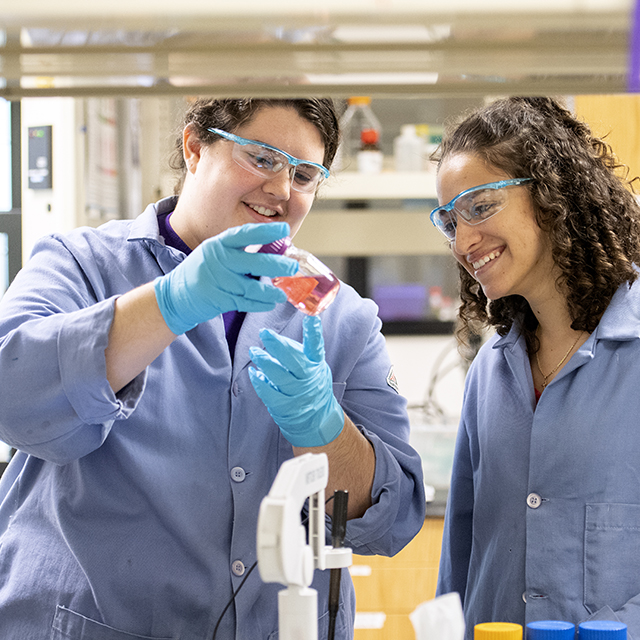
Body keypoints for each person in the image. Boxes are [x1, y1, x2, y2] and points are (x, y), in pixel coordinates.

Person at [0, 98, 426, 640]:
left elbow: (392, 520)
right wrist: (169, 303)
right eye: (263, 159)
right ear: (195, 148)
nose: (281, 190)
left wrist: (324, 430)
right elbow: (11, 399)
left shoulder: (337, 314)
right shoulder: (82, 264)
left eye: (303, 175)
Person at [432, 96, 640, 638]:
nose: (464, 240)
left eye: (480, 207)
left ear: (552, 194)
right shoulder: (490, 374)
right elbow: (461, 554)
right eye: (450, 221)